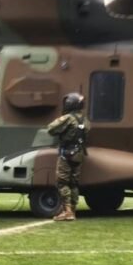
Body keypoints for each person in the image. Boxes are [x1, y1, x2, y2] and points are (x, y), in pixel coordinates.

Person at [48, 92, 89, 222]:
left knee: (62, 182)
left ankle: (67, 211)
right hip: (79, 154)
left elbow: (51, 128)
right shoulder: (85, 120)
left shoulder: (68, 118)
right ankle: (73, 209)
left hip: (66, 154)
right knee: (74, 183)